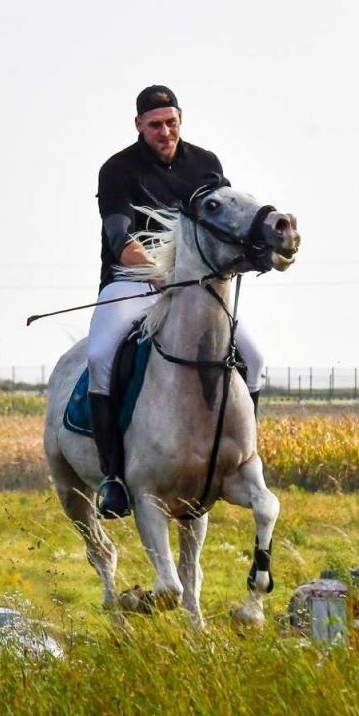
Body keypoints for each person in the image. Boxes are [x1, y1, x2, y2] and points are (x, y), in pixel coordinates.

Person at [87, 85, 266, 518]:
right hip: (131, 282)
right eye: (154, 125)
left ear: (180, 119)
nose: (164, 132)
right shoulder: (117, 170)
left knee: (256, 357)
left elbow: (223, 225)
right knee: (99, 356)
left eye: (170, 122)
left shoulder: (206, 165)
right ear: (138, 126)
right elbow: (119, 238)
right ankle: (113, 477)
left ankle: (241, 457)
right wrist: (161, 275)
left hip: (196, 290)